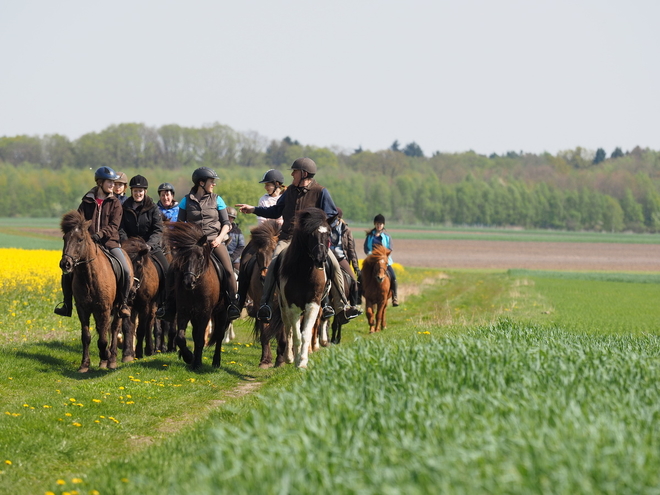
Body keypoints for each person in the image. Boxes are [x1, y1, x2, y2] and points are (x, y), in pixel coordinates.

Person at [236, 157, 362, 322]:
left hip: (311, 243)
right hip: (288, 238)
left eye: (294, 171)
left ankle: (341, 307)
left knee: (334, 265)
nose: (291, 174)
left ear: (303, 174)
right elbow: (275, 211)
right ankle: (266, 304)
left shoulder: (321, 192)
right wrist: (253, 209)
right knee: (273, 263)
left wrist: (316, 223)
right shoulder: (289, 192)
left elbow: (331, 215)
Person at [161, 167, 241, 321]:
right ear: (201, 182)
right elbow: (180, 223)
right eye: (212, 181)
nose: (214, 184)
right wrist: (181, 243)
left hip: (213, 242)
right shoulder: (186, 200)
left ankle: (232, 304)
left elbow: (226, 223)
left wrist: (219, 238)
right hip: (192, 245)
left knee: (228, 270)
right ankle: (168, 305)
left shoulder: (217, 199)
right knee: (172, 269)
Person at [54, 166, 132, 318]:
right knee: (67, 272)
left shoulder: (115, 203)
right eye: (109, 182)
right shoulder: (86, 201)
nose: (112, 185)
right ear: (100, 182)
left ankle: (123, 303)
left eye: (113, 182)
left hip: (109, 244)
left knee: (126, 270)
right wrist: (84, 237)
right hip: (87, 246)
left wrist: (99, 235)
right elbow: (77, 223)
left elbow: (114, 226)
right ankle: (67, 304)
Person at [119, 174, 169, 276]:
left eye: (140, 191)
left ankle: (167, 292)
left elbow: (158, 229)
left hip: (150, 246)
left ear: (145, 191)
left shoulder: (153, 208)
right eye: (135, 191)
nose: (138, 193)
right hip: (130, 247)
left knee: (167, 270)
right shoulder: (124, 207)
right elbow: (121, 229)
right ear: (131, 191)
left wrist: (149, 245)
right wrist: (127, 244)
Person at [329, 207, 361, 308]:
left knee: (354, 281)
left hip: (341, 258)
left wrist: (356, 267)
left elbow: (351, 250)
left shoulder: (346, 230)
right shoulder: (326, 227)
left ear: (339, 218)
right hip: (328, 257)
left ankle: (353, 306)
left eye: (334, 218)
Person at [364, 214, 399, 306]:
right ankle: (358, 296)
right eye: (377, 223)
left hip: (384, 261)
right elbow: (366, 248)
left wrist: (383, 255)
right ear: (375, 224)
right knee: (361, 276)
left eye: (381, 224)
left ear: (383, 225)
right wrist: (371, 255)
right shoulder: (370, 236)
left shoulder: (387, 236)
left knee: (393, 277)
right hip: (372, 261)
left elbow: (390, 248)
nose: (379, 225)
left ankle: (395, 297)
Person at [224, 206, 245, 272]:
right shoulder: (218, 229)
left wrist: (232, 257)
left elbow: (241, 246)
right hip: (220, 257)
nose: (230, 219)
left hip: (234, 259)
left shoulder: (238, 231)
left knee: (240, 274)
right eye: (228, 217)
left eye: (232, 218)